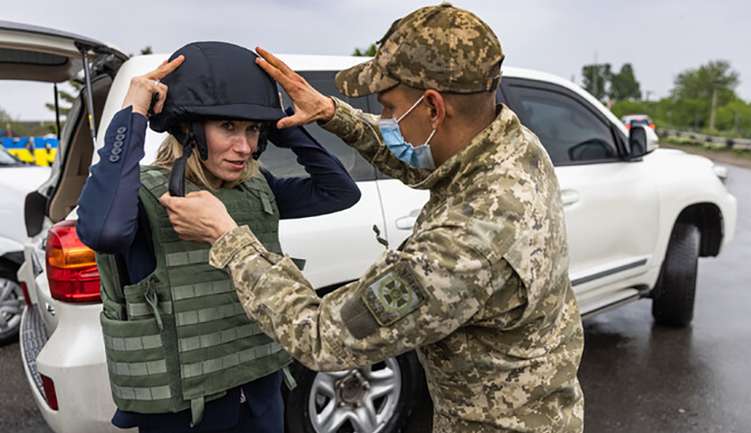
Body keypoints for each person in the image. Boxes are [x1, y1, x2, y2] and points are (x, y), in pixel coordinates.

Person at [161, 4, 584, 432]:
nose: (383, 120)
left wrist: (229, 239)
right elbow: (424, 162)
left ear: (435, 109)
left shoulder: (465, 244)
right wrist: (332, 112)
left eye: (387, 106)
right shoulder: (511, 144)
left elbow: (323, 336)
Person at [76, 41, 360, 433]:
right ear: (189, 128)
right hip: (185, 413)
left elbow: (341, 192)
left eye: (252, 130)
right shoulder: (143, 196)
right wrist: (132, 112)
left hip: (261, 397)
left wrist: (282, 124)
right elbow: (103, 231)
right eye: (228, 126)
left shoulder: (258, 189)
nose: (244, 147)